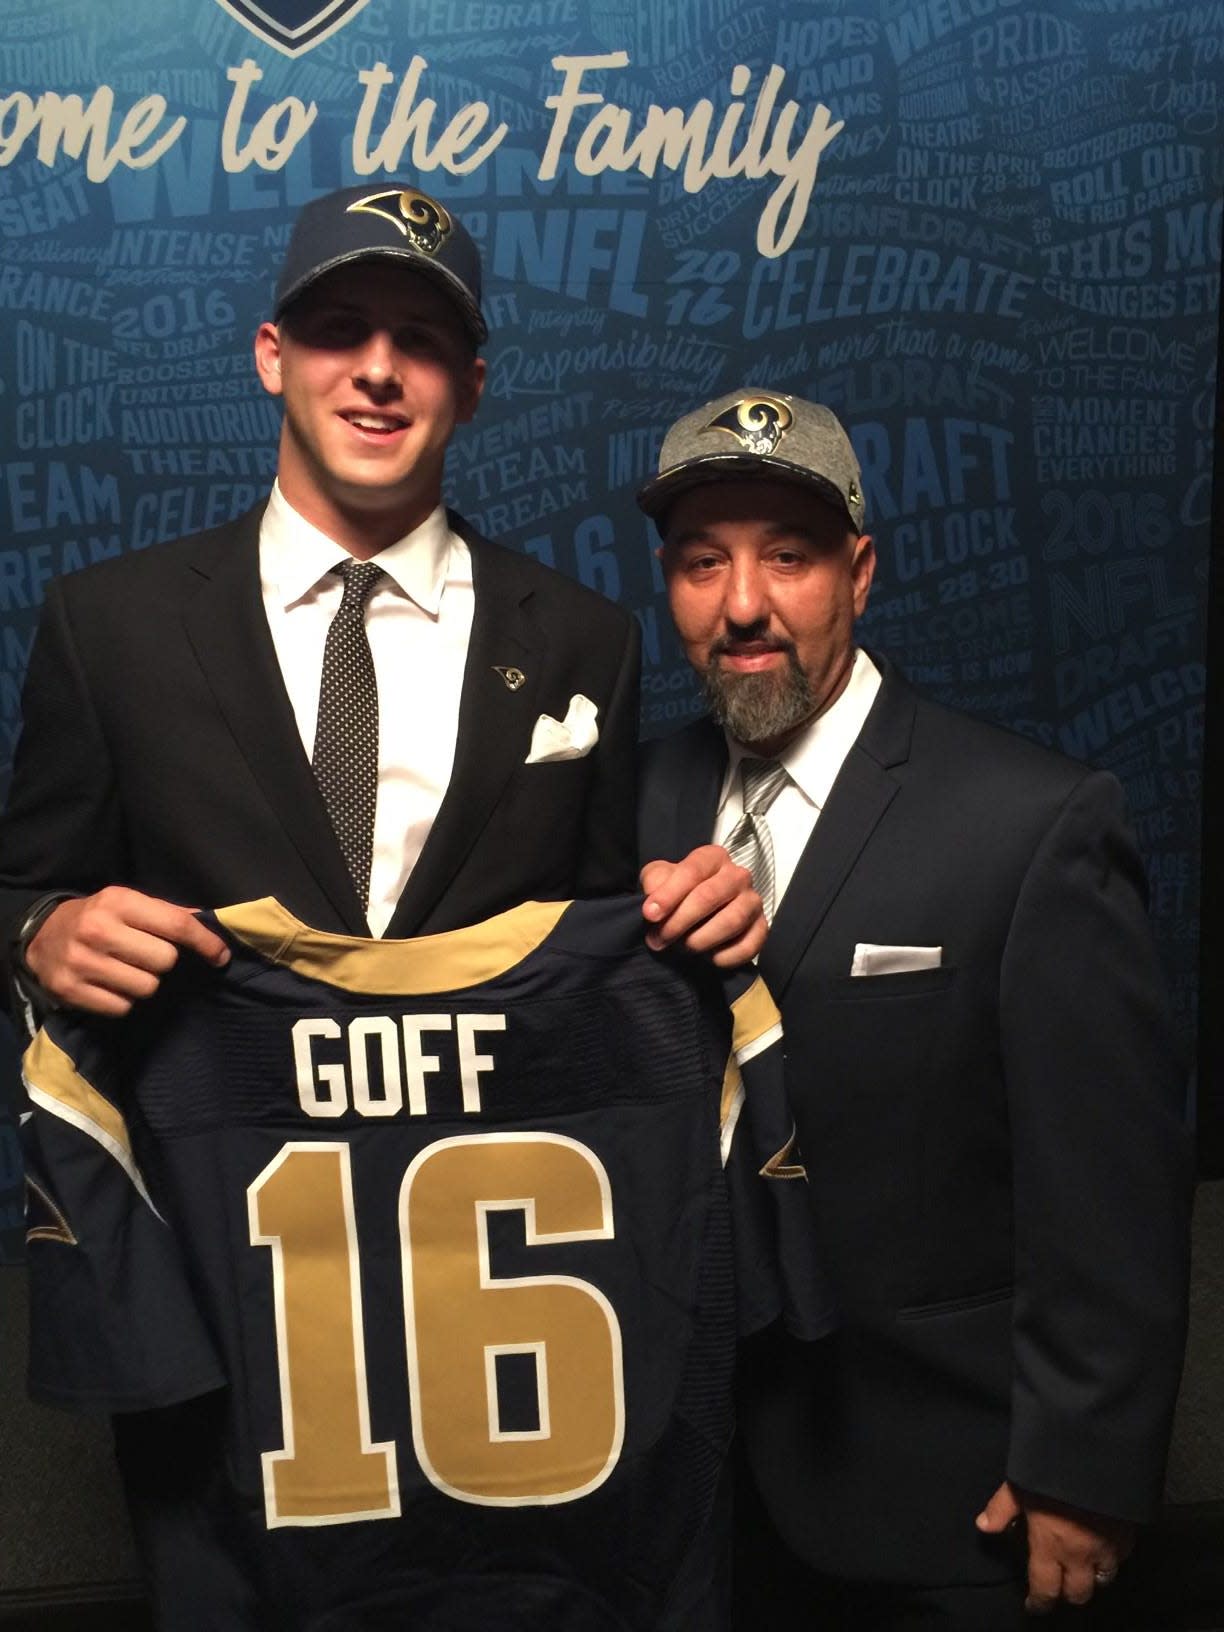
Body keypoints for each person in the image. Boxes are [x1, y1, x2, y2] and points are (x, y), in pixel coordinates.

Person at [635, 388, 1193, 1629]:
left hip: (949, 1498)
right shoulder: (629, 804)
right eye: (702, 563)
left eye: (789, 557)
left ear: (861, 573)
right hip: (686, 1505)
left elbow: (1108, 1184)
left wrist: (1087, 1470)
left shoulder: (1031, 821)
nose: (743, 606)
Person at [0, 183, 760, 1019]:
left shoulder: (585, 639)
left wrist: (675, 916)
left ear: (470, 389)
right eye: (338, 331)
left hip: (484, 1142)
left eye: (420, 341)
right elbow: (24, 890)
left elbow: (598, 947)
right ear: (272, 356)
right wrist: (40, 930)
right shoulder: (109, 625)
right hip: (211, 1139)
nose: (376, 370)